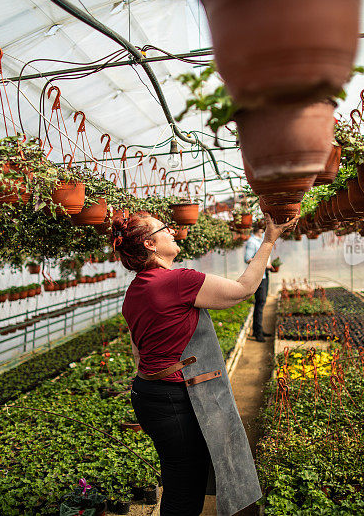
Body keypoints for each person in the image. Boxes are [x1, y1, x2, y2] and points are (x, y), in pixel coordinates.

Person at [111, 211, 297, 516]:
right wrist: (268, 239)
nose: (172, 231)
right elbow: (243, 290)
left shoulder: (134, 292)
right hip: (172, 400)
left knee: (177, 478)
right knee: (186, 493)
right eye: (164, 229)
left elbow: (138, 353)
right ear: (150, 244)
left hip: (147, 395)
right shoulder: (178, 281)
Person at [244, 222, 275, 342]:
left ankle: (259, 330)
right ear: (259, 228)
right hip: (258, 276)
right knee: (260, 302)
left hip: (265, 274)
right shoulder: (252, 242)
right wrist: (263, 263)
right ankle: (257, 333)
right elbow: (247, 259)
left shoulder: (261, 239)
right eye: (263, 227)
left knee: (262, 302)